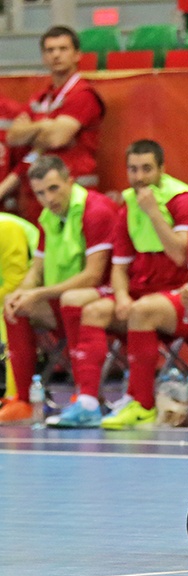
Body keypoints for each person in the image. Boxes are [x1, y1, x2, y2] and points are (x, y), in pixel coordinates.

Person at [58, 140, 188, 429]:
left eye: (147, 169)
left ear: (162, 168)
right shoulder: (128, 203)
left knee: (141, 310)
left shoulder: (182, 199)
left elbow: (180, 254)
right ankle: (87, 401)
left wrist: (153, 213)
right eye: (133, 170)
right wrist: (121, 297)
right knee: (93, 310)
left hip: (180, 293)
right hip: (139, 291)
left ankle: (141, 402)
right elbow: (120, 267)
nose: (139, 177)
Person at [1, 156, 116, 423]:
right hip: (62, 297)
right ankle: (22, 401)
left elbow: (93, 275)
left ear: (69, 181)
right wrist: (22, 292)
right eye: (40, 193)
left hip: (105, 292)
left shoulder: (95, 210)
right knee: (16, 306)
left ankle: (85, 398)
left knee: (71, 299)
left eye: (54, 188)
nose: (48, 198)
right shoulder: (47, 217)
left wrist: (39, 293)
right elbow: (36, 270)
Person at [4, 26, 104, 223]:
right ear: (43, 57)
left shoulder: (83, 95)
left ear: (77, 55)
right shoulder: (40, 97)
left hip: (74, 196)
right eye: (50, 50)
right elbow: (13, 137)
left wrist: (34, 128)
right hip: (38, 197)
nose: (56, 55)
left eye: (62, 49)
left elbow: (58, 138)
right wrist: (46, 126)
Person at [0, 212, 38, 403]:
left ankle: (11, 394)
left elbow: (16, 282)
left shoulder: (5, 228)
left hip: (37, 289)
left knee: (9, 311)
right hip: (8, 292)